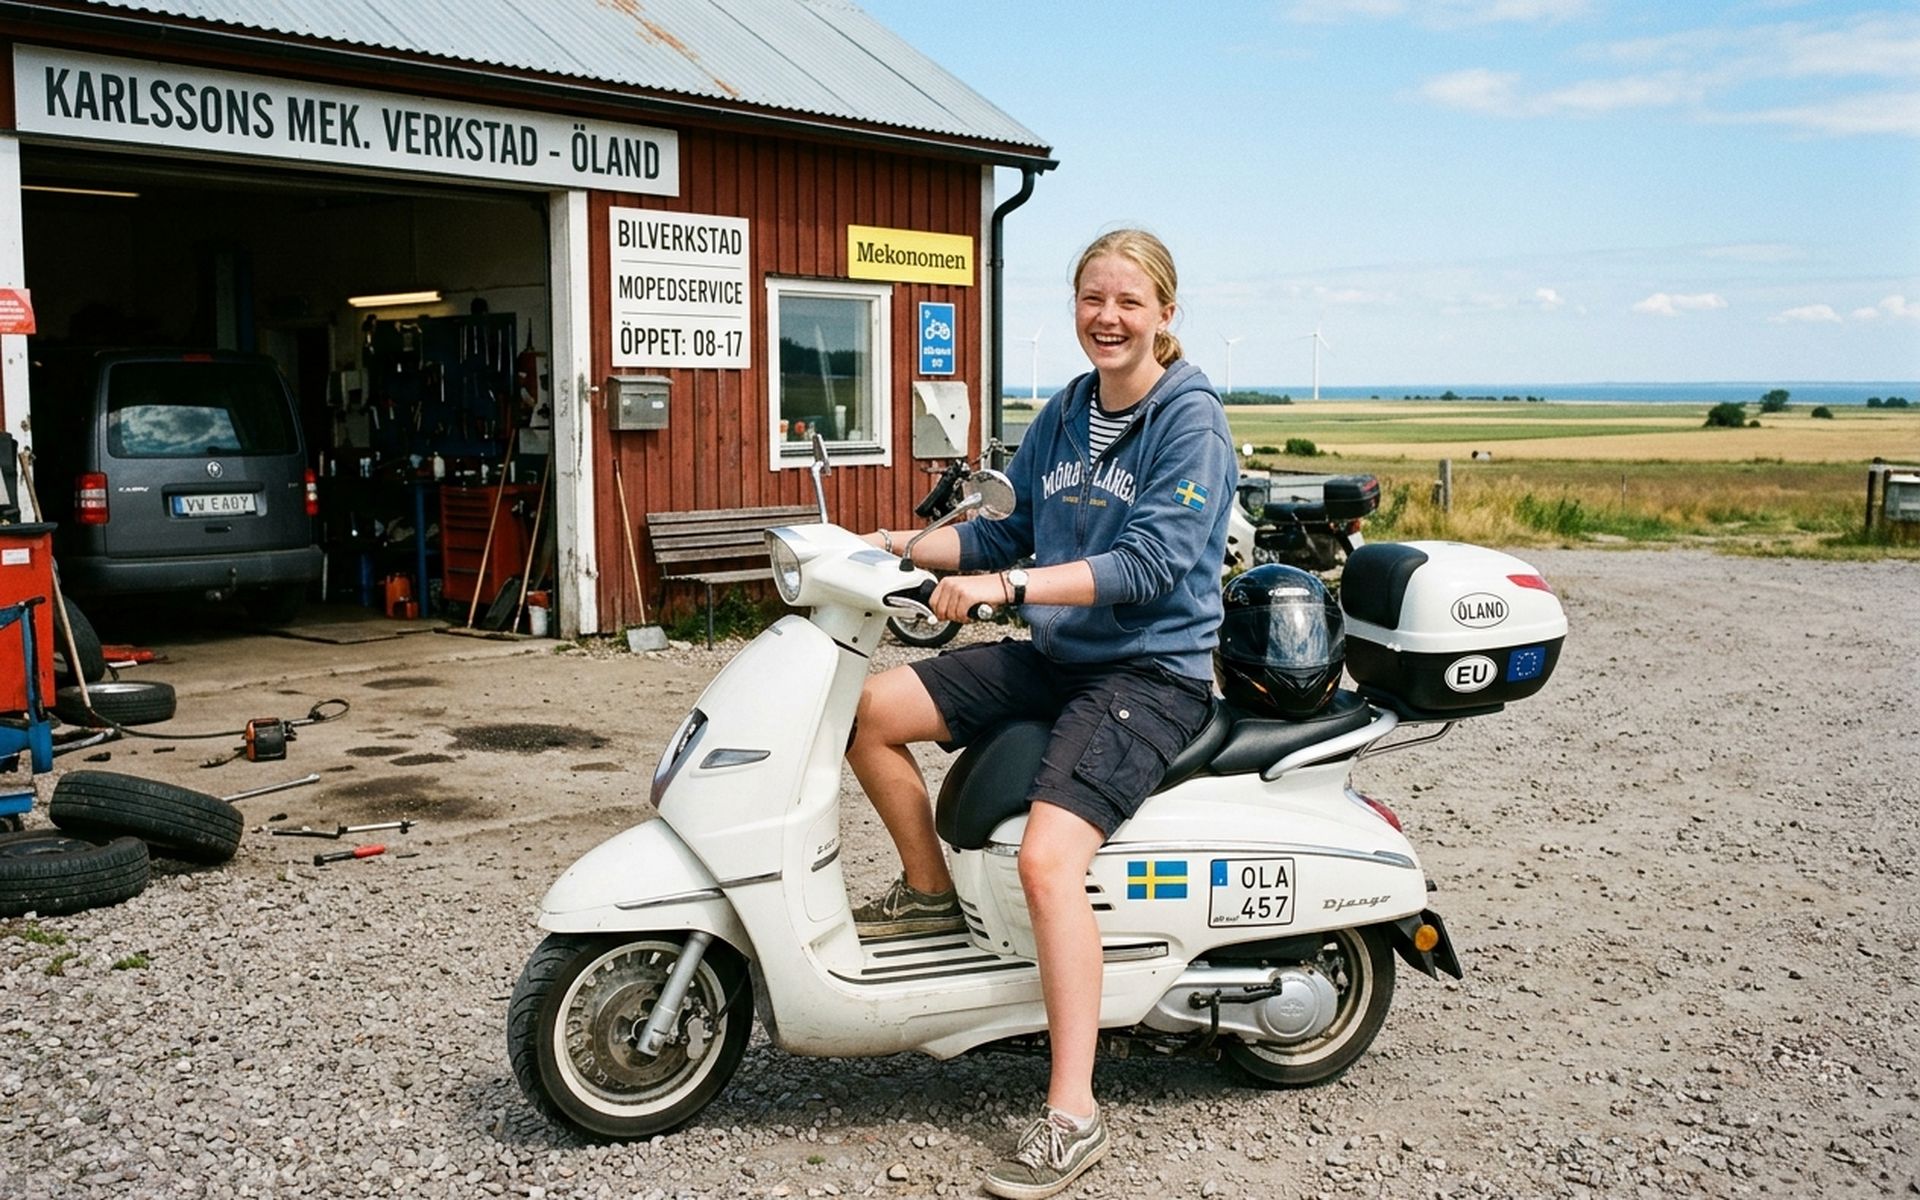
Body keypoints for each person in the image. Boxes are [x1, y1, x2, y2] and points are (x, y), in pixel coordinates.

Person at [848, 228, 1235, 1199]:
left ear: (1165, 315)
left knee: (1046, 858)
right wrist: (895, 543)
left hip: (1150, 674)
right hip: (1062, 657)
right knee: (867, 711)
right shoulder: (1066, 411)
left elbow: (1146, 564)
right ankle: (930, 892)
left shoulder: (1189, 419)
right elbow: (1009, 527)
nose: (1107, 316)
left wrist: (1002, 587)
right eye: (1091, 298)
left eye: (1128, 301)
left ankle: (1073, 1115)